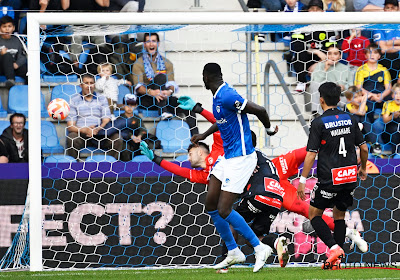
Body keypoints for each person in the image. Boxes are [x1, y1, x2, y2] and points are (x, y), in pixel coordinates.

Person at [140, 97, 369, 261]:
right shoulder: (206, 175)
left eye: (190, 152)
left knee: (308, 151)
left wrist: (199, 109)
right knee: (307, 211)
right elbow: (180, 172)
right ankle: (349, 233)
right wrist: (157, 160)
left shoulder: (221, 148)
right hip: (272, 185)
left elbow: (223, 124)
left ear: (201, 150)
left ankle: (343, 152)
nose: (187, 156)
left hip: (273, 168)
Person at [189, 62, 279, 273]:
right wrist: (204, 135)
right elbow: (223, 120)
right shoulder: (218, 95)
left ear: (206, 77)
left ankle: (259, 249)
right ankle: (233, 251)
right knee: (211, 203)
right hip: (228, 158)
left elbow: (260, 110)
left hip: (241, 159)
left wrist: (268, 129)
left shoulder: (228, 95)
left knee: (224, 209)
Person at [297, 82, 368, 270]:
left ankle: (334, 248)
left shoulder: (319, 122)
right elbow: (364, 147)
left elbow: (311, 154)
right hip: (349, 177)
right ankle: (337, 262)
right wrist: (363, 169)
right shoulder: (351, 119)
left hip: (330, 178)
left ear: (321, 100)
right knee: (339, 216)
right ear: (339, 99)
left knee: (314, 215)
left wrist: (302, 181)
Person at [130, 32, 198, 135]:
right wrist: (151, 92)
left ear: (158, 44)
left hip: (163, 99)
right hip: (147, 99)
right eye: (148, 41)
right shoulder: (138, 63)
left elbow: (171, 84)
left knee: (188, 107)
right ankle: (163, 111)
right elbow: (138, 87)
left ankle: (196, 140)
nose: (151, 44)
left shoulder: (167, 63)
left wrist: (169, 92)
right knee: (161, 77)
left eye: (154, 41)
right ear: (144, 44)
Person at [66, 74, 123, 160]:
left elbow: (106, 119)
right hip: (82, 134)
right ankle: (74, 168)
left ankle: (109, 167)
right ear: (81, 85)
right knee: (72, 138)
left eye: (91, 83)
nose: (89, 86)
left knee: (117, 139)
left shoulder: (102, 98)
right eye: (86, 83)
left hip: (100, 133)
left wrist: (97, 129)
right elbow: (70, 126)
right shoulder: (74, 100)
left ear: (94, 85)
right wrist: (85, 130)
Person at [289, 0, 338, 94]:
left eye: (318, 9)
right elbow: (297, 45)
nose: (315, 12)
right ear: (307, 11)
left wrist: (320, 62)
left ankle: (326, 89)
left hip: (323, 59)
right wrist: (315, 51)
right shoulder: (301, 25)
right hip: (306, 56)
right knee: (298, 56)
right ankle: (301, 82)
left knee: (333, 57)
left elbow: (332, 48)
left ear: (323, 12)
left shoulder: (328, 27)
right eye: (312, 9)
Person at [309, 45, 353, 115]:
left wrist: (344, 87)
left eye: (335, 54)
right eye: (329, 54)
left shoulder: (345, 68)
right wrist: (325, 68)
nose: (332, 56)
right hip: (324, 97)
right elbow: (315, 82)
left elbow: (351, 85)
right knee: (315, 84)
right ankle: (317, 113)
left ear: (340, 56)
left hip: (340, 97)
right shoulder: (320, 65)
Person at [354, 43, 392, 125]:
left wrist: (381, 95)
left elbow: (388, 88)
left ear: (379, 56)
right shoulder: (361, 70)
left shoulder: (384, 70)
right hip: (367, 95)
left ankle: (389, 129)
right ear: (365, 55)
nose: (372, 55)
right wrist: (372, 95)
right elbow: (359, 87)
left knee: (391, 104)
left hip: (381, 95)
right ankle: (368, 130)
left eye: (375, 53)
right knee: (368, 109)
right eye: (369, 52)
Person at [372, 0, 400, 85]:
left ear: (397, 9)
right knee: (389, 59)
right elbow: (383, 49)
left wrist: (389, 42)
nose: (390, 10)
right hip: (390, 59)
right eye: (387, 8)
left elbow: (386, 45)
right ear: (384, 9)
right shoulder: (378, 25)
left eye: (393, 8)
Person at [0, 16, 27, 88]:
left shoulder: (17, 40)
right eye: (4, 26)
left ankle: (29, 89)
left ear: (13, 28)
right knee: (7, 55)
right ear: (0, 28)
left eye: (9, 26)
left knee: (26, 70)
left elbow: (22, 56)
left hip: (13, 66)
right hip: (1, 67)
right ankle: (11, 80)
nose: (7, 29)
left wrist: (17, 64)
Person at [380, 82, 400, 155]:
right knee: (395, 129)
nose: (398, 96)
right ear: (392, 95)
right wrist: (393, 116)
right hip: (389, 132)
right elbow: (385, 120)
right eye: (396, 93)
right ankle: (394, 155)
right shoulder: (388, 104)